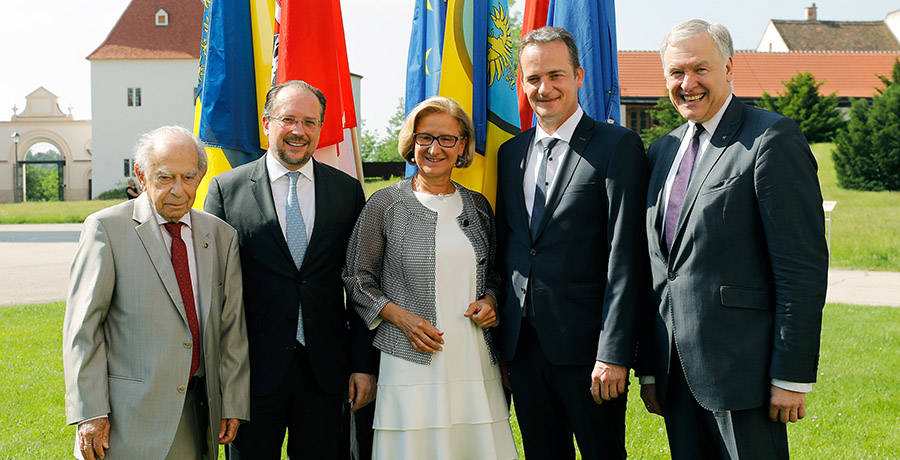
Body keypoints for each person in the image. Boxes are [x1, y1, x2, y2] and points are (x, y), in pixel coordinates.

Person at [636, 20, 828, 460]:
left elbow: (801, 268)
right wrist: (649, 369)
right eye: (676, 73)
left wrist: (791, 376)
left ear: (727, 66)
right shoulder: (661, 151)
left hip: (745, 376)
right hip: (674, 373)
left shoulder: (770, 138)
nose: (688, 84)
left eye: (699, 69)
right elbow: (658, 270)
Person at [494, 27, 649, 460]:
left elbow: (626, 257)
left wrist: (614, 352)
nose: (544, 88)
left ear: (579, 75)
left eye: (556, 75)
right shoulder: (511, 153)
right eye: (533, 78)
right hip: (523, 349)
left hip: (590, 352)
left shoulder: (617, 146)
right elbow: (512, 244)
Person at [204, 80, 378, 459]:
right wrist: (219, 378)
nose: (299, 131)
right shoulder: (225, 190)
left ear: (320, 128)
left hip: (326, 373)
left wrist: (364, 365)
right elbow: (212, 290)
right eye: (288, 119)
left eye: (310, 122)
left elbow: (362, 284)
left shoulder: (346, 192)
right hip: (251, 375)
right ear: (267, 123)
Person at [343, 96, 518, 459]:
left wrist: (490, 301)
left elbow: (496, 275)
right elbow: (357, 279)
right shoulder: (384, 204)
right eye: (425, 138)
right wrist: (401, 318)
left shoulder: (478, 206)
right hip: (410, 358)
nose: (434, 148)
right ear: (412, 142)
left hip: (473, 357)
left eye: (446, 139)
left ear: (462, 146)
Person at [62, 125, 250, 460]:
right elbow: (83, 329)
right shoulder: (106, 229)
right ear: (142, 175)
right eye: (165, 178)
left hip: (197, 416)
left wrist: (232, 400)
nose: (178, 190)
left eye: (189, 177)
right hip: (124, 422)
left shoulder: (221, 236)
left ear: (202, 175)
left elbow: (231, 328)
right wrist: (90, 412)